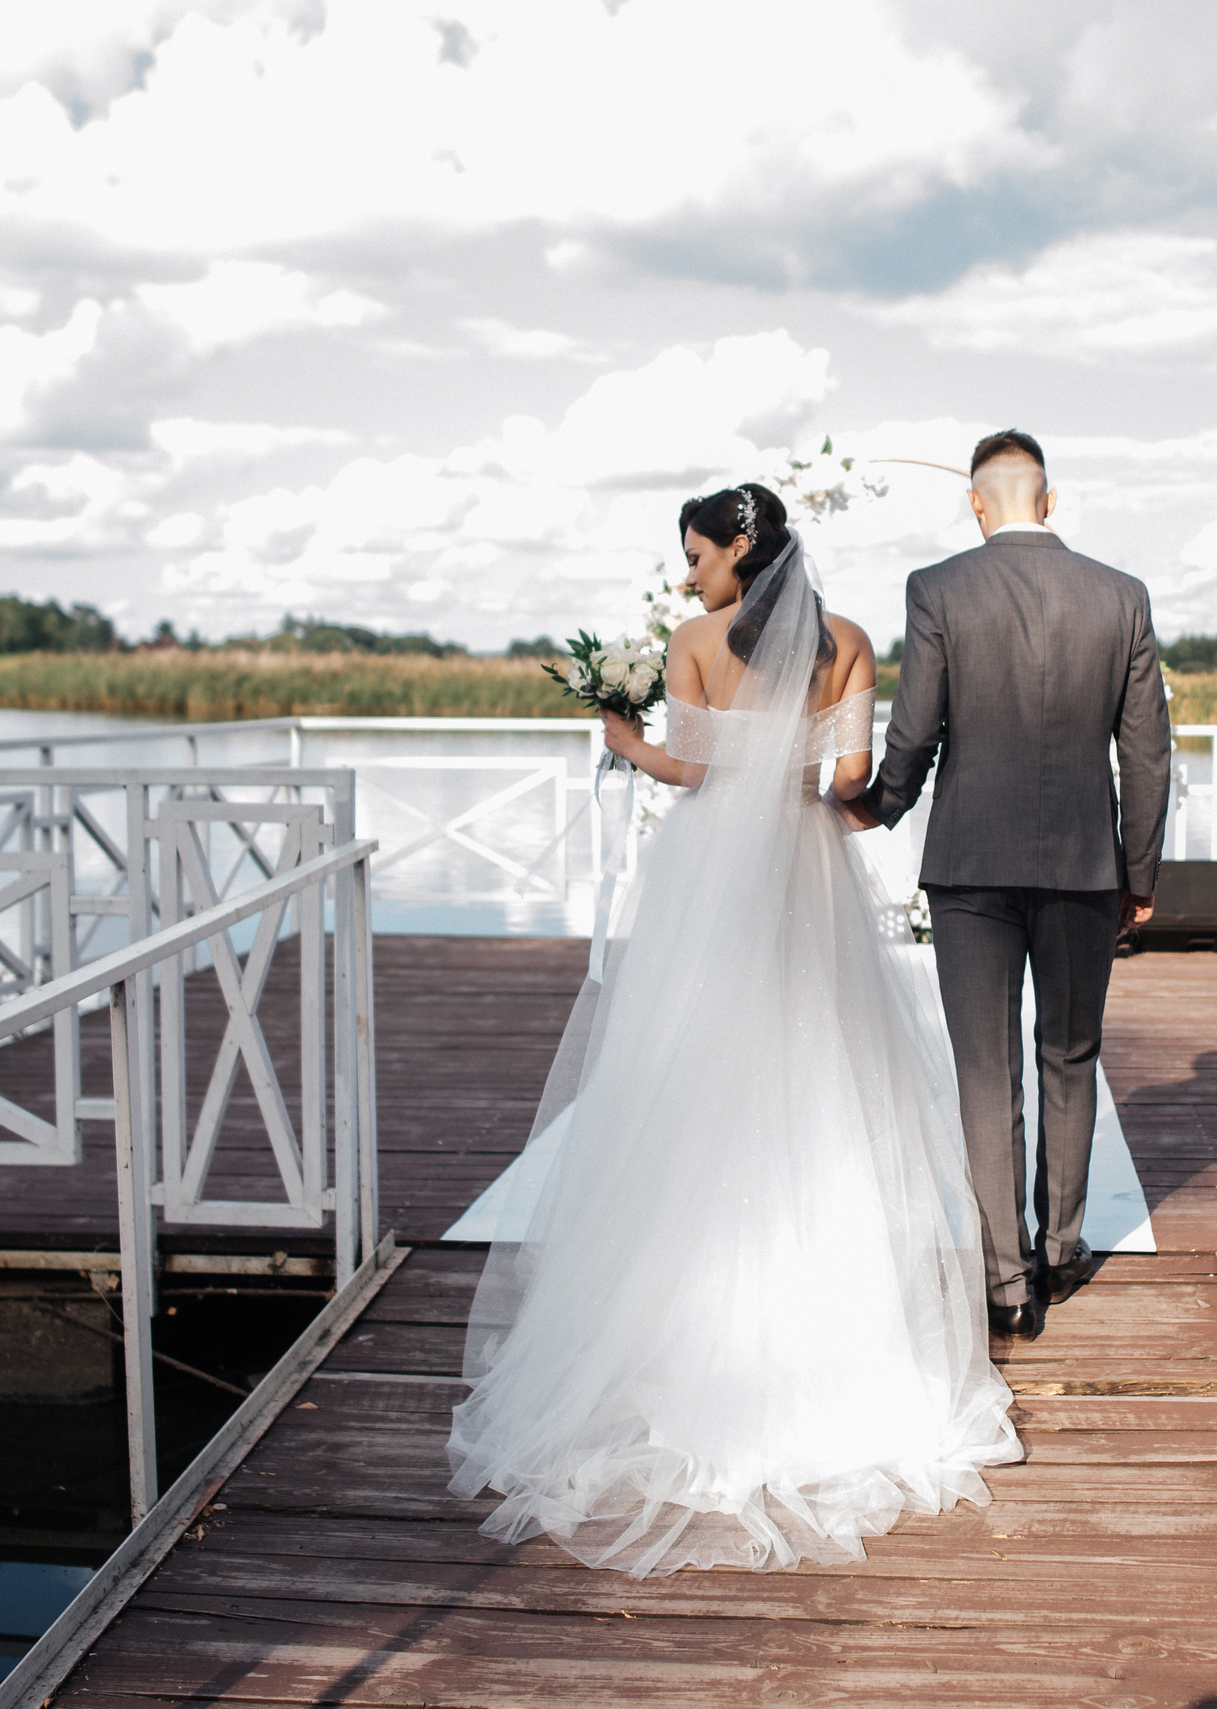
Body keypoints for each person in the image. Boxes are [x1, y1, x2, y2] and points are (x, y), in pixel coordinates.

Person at [446, 483, 1020, 1577]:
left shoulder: (691, 644)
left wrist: (622, 739)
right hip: (809, 866)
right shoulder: (846, 640)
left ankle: (678, 1323)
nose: (687, 574)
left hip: (712, 873)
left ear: (738, 549)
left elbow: (697, 771)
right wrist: (793, 772)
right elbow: (849, 780)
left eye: (696, 553)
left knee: (692, 1083)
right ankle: (841, 1345)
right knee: (822, 1085)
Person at [846, 431, 1172, 1341]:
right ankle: (1063, 1250)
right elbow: (1146, 752)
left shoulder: (939, 588)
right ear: (1050, 498)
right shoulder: (1122, 596)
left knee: (985, 1071)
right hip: (1081, 865)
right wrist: (1136, 871)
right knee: (1070, 1052)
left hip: (970, 866)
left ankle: (1005, 1279)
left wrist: (879, 807)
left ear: (979, 504)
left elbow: (914, 729)